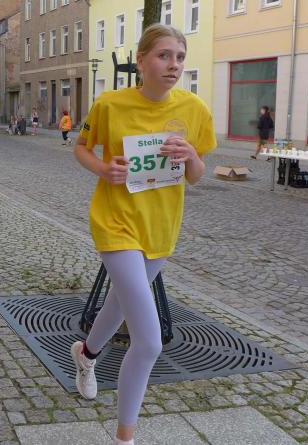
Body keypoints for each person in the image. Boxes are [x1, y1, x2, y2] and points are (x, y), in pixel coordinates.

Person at [70, 24, 216, 445]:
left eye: (180, 57)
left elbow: (197, 175)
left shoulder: (194, 109)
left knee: (118, 304)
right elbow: (81, 148)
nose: (174, 65)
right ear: (141, 61)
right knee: (149, 342)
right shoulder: (110, 103)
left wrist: (191, 156)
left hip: (160, 228)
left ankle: (86, 354)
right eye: (164, 55)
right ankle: (125, 438)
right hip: (115, 222)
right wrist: (104, 169)